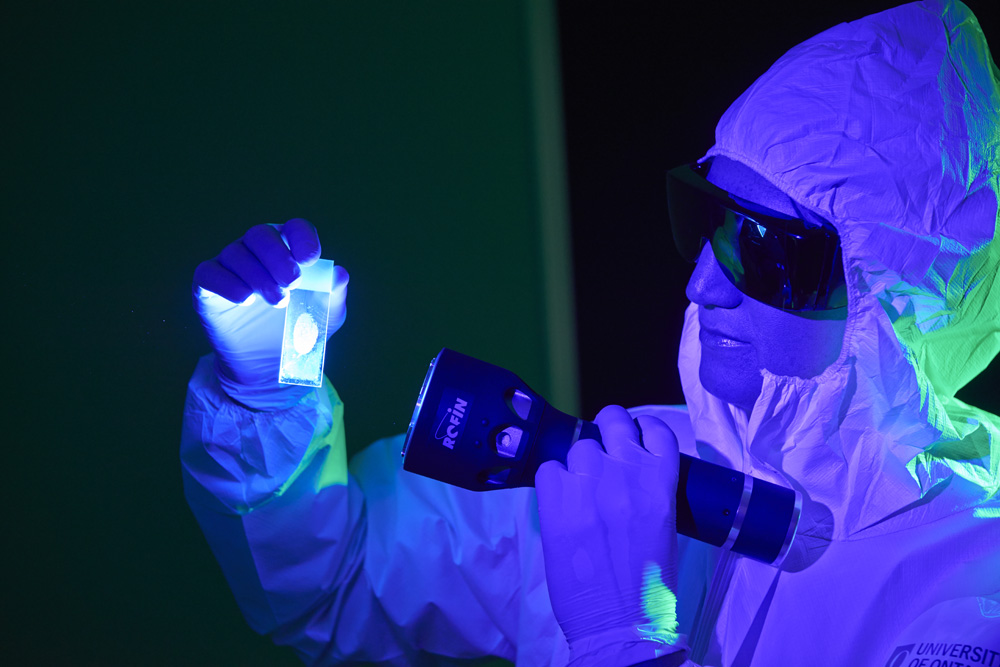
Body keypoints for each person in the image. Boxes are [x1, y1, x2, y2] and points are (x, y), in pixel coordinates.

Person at [181, 0, 1000, 664]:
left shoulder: (973, 584)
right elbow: (336, 581)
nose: (700, 285)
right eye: (708, 222)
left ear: (894, 305)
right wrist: (269, 393)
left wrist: (623, 641)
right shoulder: (639, 472)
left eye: (760, 249)